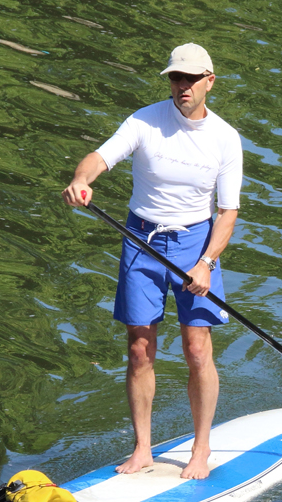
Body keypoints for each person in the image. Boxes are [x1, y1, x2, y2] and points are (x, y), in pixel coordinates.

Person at [61, 43, 243, 480]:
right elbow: (100, 158)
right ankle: (143, 449)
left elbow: (228, 212)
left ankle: (201, 450)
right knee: (140, 350)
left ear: (209, 82)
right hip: (141, 240)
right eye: (175, 78)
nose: (182, 86)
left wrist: (206, 262)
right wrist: (80, 180)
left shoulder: (224, 138)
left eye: (191, 79)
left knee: (197, 349)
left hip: (196, 244)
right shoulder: (144, 121)